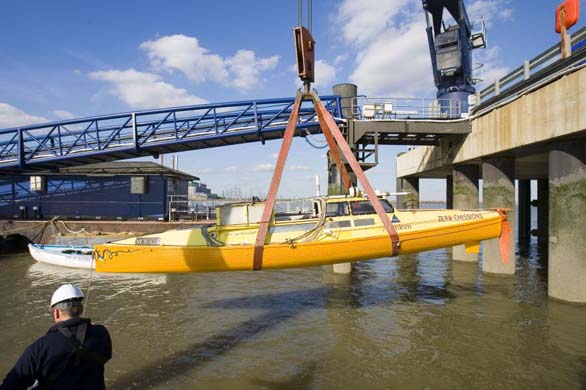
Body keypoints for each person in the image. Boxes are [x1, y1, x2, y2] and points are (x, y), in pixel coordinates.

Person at [1, 284, 112, 389]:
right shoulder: (101, 333)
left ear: (57, 313)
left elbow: (10, 385)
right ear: (81, 309)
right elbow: (106, 356)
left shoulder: (41, 347)